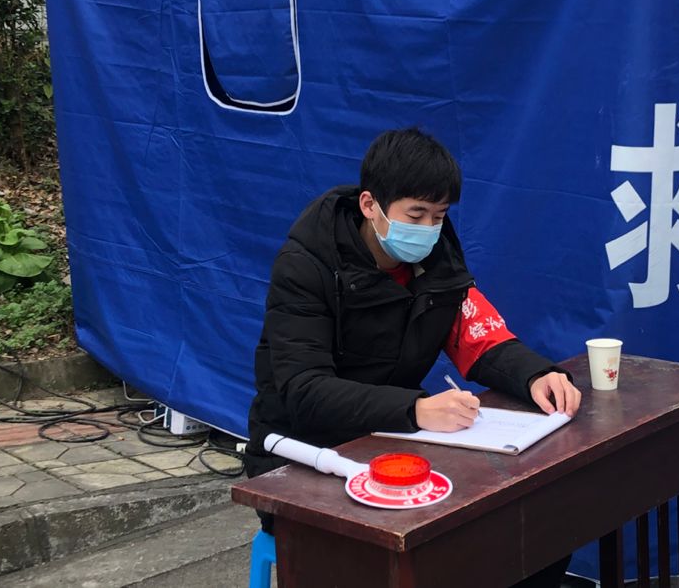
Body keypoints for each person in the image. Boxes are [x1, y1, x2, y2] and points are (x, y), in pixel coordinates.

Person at [244, 127, 584, 587]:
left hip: (395, 440)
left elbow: (479, 335)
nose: (427, 230)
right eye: (416, 214)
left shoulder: (438, 260)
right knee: (448, 542)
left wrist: (536, 375)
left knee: (536, 523)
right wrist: (416, 409)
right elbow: (304, 391)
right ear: (370, 205)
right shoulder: (306, 266)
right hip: (304, 453)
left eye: (439, 215)